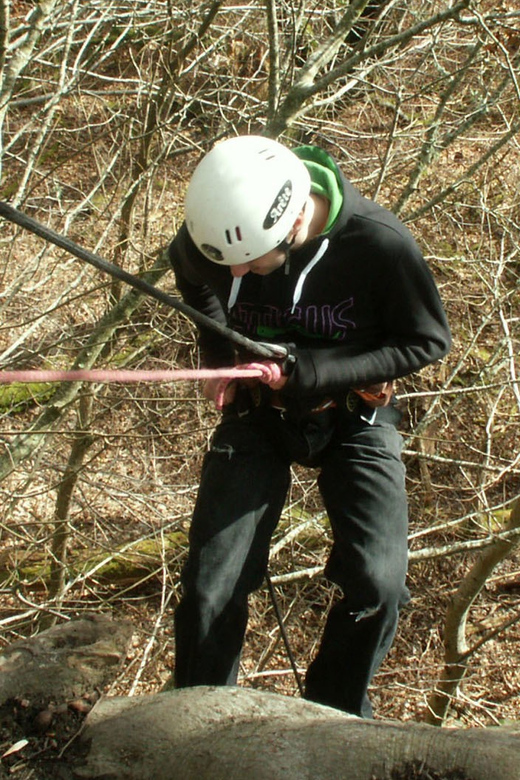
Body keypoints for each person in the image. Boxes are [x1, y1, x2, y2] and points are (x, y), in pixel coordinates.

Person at [168, 135, 451, 718]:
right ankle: (196, 719)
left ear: (296, 218)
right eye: (230, 263)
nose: (238, 273)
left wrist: (319, 370)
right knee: (209, 587)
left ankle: (334, 716)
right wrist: (221, 354)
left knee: (377, 584)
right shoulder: (219, 237)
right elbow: (194, 279)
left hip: (354, 415)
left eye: (250, 261)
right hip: (258, 413)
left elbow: (427, 340)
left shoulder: (380, 245)